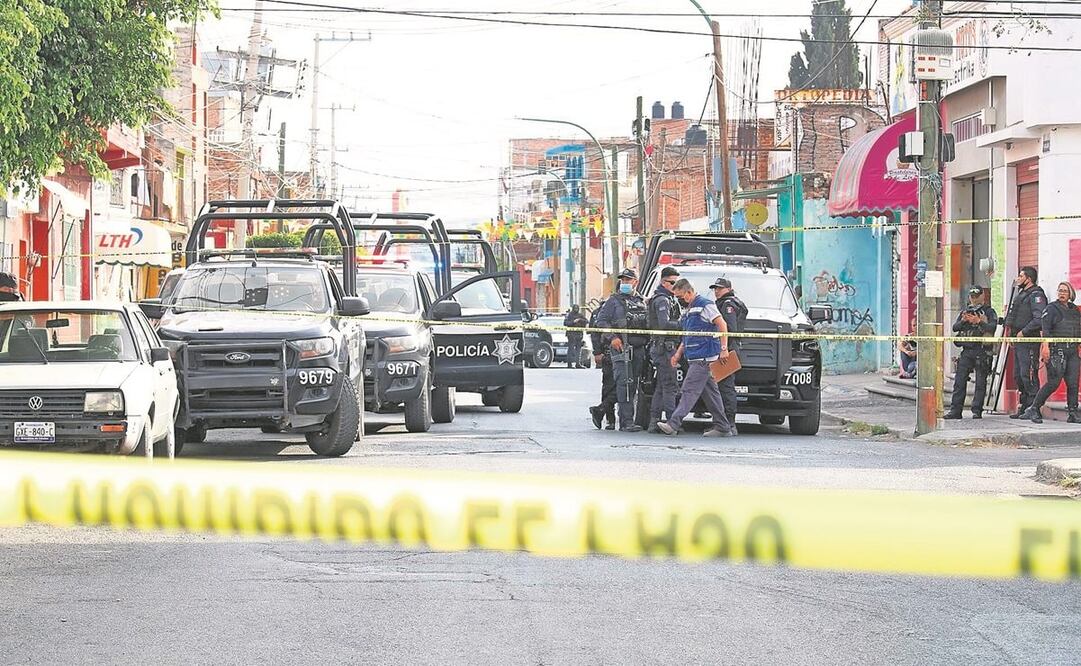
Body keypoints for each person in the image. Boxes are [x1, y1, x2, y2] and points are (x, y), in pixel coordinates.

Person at [655, 279, 733, 437]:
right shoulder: (689, 309)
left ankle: (673, 424)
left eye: (680, 297)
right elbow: (688, 335)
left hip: (704, 358)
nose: (678, 300)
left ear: (689, 292)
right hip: (696, 356)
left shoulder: (705, 305)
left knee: (689, 390)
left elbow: (722, 324)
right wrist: (678, 353)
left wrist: (724, 348)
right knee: (711, 394)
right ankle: (723, 427)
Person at [596, 268, 649, 432]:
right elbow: (601, 321)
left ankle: (608, 412)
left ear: (636, 282)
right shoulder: (613, 301)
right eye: (623, 280)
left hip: (639, 349)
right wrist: (613, 338)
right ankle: (626, 422)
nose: (625, 283)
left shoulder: (642, 301)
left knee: (633, 386)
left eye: (628, 280)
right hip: (622, 349)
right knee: (623, 384)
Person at [1023, 281, 1081, 424]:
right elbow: (1046, 329)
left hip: (1072, 350)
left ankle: (1073, 412)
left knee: (1073, 383)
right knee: (1054, 382)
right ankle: (1034, 408)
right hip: (1056, 350)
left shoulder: (1074, 310)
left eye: (1065, 291)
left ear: (1070, 294)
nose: (1061, 293)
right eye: (1060, 290)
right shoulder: (1051, 308)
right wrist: (1045, 347)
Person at [944, 287, 998, 420]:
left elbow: (992, 328)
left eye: (976, 296)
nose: (973, 299)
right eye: (971, 296)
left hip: (982, 351)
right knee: (959, 381)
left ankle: (977, 410)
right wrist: (964, 320)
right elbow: (955, 327)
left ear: (982, 296)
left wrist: (978, 321)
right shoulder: (965, 311)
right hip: (967, 351)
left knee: (980, 382)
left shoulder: (989, 311)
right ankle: (955, 410)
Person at [1004, 266, 1048, 418]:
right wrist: (1011, 334)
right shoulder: (1022, 294)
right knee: (1018, 375)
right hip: (1018, 340)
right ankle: (1024, 405)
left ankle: (1033, 407)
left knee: (1028, 374)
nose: (1018, 279)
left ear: (1029, 279)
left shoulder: (1036, 295)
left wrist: (1024, 332)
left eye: (1021, 276)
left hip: (1029, 340)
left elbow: (1039, 319)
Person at [646, 267, 682, 432]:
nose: (675, 286)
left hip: (663, 346)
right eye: (672, 283)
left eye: (677, 283)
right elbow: (664, 324)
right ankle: (671, 422)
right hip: (665, 347)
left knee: (661, 386)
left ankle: (654, 422)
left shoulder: (668, 298)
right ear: (663, 282)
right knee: (669, 386)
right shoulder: (662, 300)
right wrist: (684, 325)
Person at [711, 277, 747, 434]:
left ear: (728, 288)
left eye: (720, 288)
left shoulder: (728, 305)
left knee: (725, 387)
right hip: (728, 348)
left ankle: (728, 424)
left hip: (727, 349)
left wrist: (723, 348)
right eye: (715, 288)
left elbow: (730, 328)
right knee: (723, 386)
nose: (716, 291)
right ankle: (725, 423)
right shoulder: (731, 302)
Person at [588, 300, 617, 430]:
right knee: (608, 386)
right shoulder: (600, 311)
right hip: (608, 353)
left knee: (623, 386)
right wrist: (597, 352)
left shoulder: (633, 304)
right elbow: (595, 333)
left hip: (625, 350)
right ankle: (609, 419)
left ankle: (600, 410)